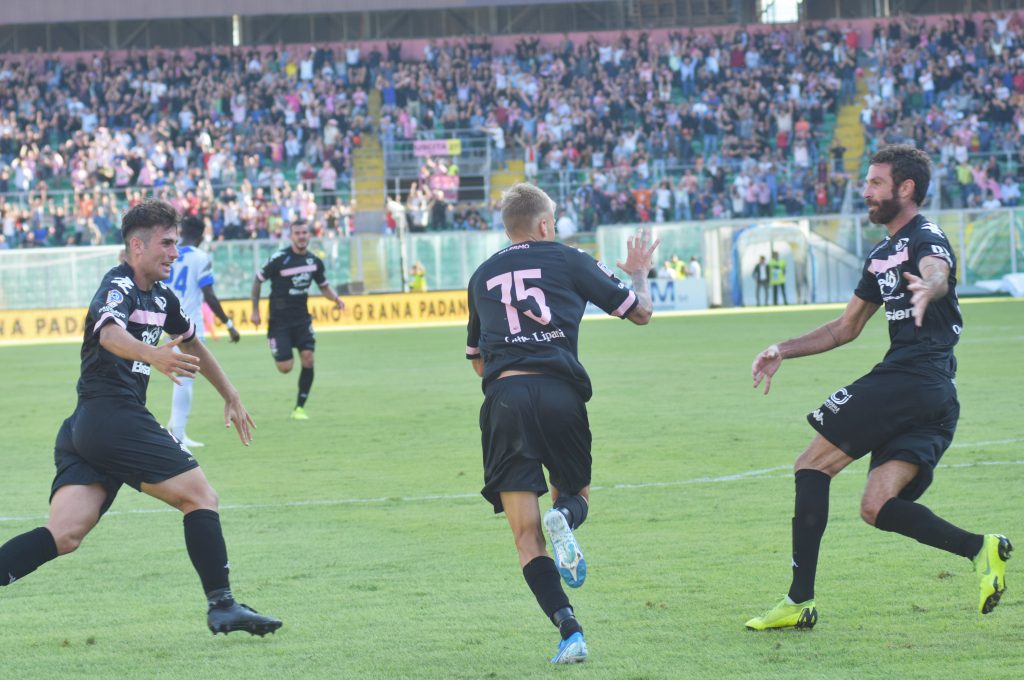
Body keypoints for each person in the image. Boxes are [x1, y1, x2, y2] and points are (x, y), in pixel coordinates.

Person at [746, 145, 1012, 631]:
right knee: (876, 507)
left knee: (810, 465)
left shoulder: (923, 236)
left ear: (904, 189)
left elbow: (937, 268)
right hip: (933, 397)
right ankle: (982, 549)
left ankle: (798, 601)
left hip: (910, 379)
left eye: (874, 183)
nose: (864, 191)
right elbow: (844, 328)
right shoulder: (880, 254)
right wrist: (782, 348)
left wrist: (932, 285)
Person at [0, 200, 281, 636]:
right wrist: (153, 355)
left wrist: (231, 394)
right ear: (137, 245)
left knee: (64, 533)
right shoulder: (118, 285)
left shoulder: (161, 296)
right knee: (200, 496)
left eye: (177, 243)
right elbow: (110, 333)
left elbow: (193, 344)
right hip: (112, 417)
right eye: (167, 243)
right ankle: (222, 605)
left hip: (86, 428)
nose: (174, 252)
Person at [465, 183, 658, 663]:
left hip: (505, 397)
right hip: (559, 394)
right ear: (546, 224)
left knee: (525, 536)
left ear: (508, 228)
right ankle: (565, 518)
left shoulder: (481, 274)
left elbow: (476, 361)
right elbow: (641, 313)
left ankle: (569, 630)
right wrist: (639, 275)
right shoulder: (568, 257)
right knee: (574, 497)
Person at [251, 220, 345, 420]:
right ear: (291, 236)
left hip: (302, 320)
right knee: (285, 368)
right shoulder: (279, 259)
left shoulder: (314, 262)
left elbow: (324, 286)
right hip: (279, 322)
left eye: (304, 232)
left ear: (309, 235)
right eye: (297, 233)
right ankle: (277, 346)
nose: (301, 236)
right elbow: (258, 280)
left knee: (308, 359)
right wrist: (255, 311)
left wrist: (336, 299)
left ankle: (299, 408)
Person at [165, 216, 241, 448]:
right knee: (186, 379)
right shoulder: (200, 257)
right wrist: (228, 323)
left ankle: (178, 431)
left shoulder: (169, 253)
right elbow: (209, 294)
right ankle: (176, 435)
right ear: (200, 235)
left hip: (164, 318)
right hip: (189, 325)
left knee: (184, 377)